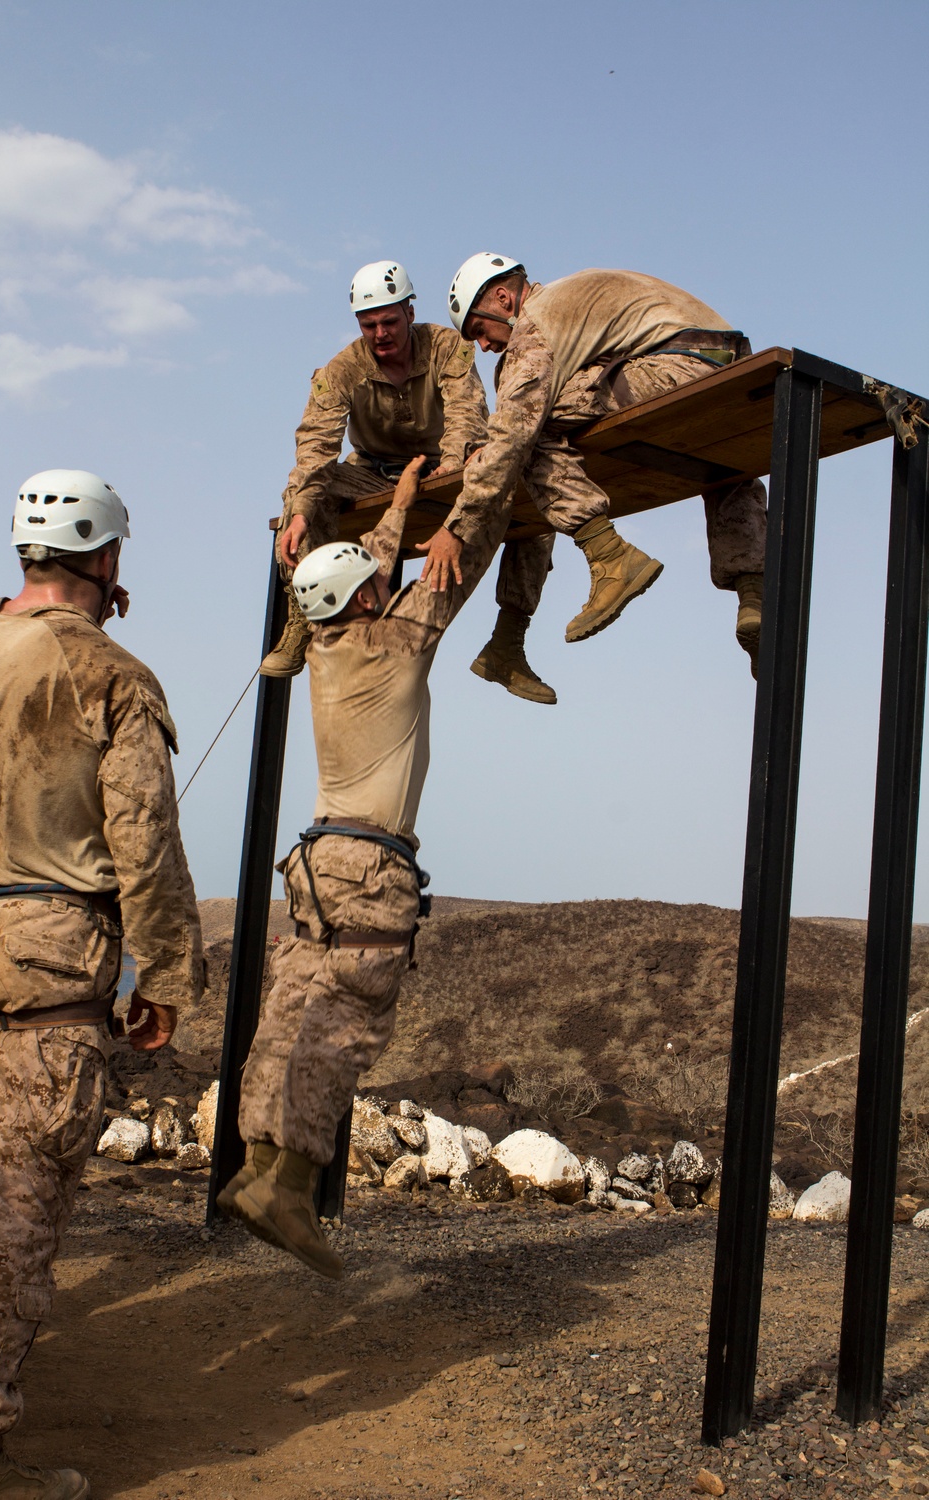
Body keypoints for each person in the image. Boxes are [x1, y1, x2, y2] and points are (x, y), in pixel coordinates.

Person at [0, 470, 203, 1500]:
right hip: (46, 965)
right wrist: (167, 973)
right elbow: (144, 839)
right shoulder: (113, 675)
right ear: (109, 557)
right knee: (12, 1210)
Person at [219, 453, 519, 1277]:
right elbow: (455, 570)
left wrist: (406, 502)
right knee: (342, 1022)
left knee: (286, 1012)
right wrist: (475, 508)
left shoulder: (326, 643)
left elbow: (369, 570)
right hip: (369, 865)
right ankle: (291, 1186)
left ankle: (253, 1166)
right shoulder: (395, 641)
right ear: (368, 599)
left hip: (316, 858)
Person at [421, 254, 769, 675]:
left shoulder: (535, 324)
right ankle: (754, 596)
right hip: (729, 357)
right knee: (724, 465)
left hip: (679, 363)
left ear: (502, 297)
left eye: (479, 330)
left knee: (530, 427)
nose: (483, 346)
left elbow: (514, 432)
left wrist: (455, 527)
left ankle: (609, 557)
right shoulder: (571, 301)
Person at [262, 258, 557, 704]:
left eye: (388, 321)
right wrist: (301, 510)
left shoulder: (444, 346)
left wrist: (452, 467)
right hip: (371, 475)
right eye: (368, 325)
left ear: (409, 314)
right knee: (302, 493)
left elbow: (466, 413)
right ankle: (301, 620)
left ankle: (508, 641)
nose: (380, 334)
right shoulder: (342, 369)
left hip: (444, 469)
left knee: (521, 485)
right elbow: (316, 445)